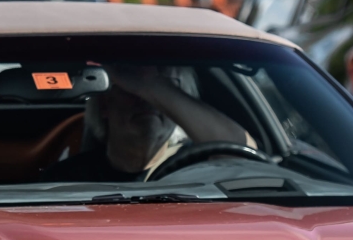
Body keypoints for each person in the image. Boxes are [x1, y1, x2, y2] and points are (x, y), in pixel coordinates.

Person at [47, 65, 256, 181]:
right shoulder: (67, 180)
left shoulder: (200, 169)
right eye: (131, 89)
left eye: (165, 92)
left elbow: (245, 159)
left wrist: (152, 87)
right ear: (104, 105)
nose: (147, 100)